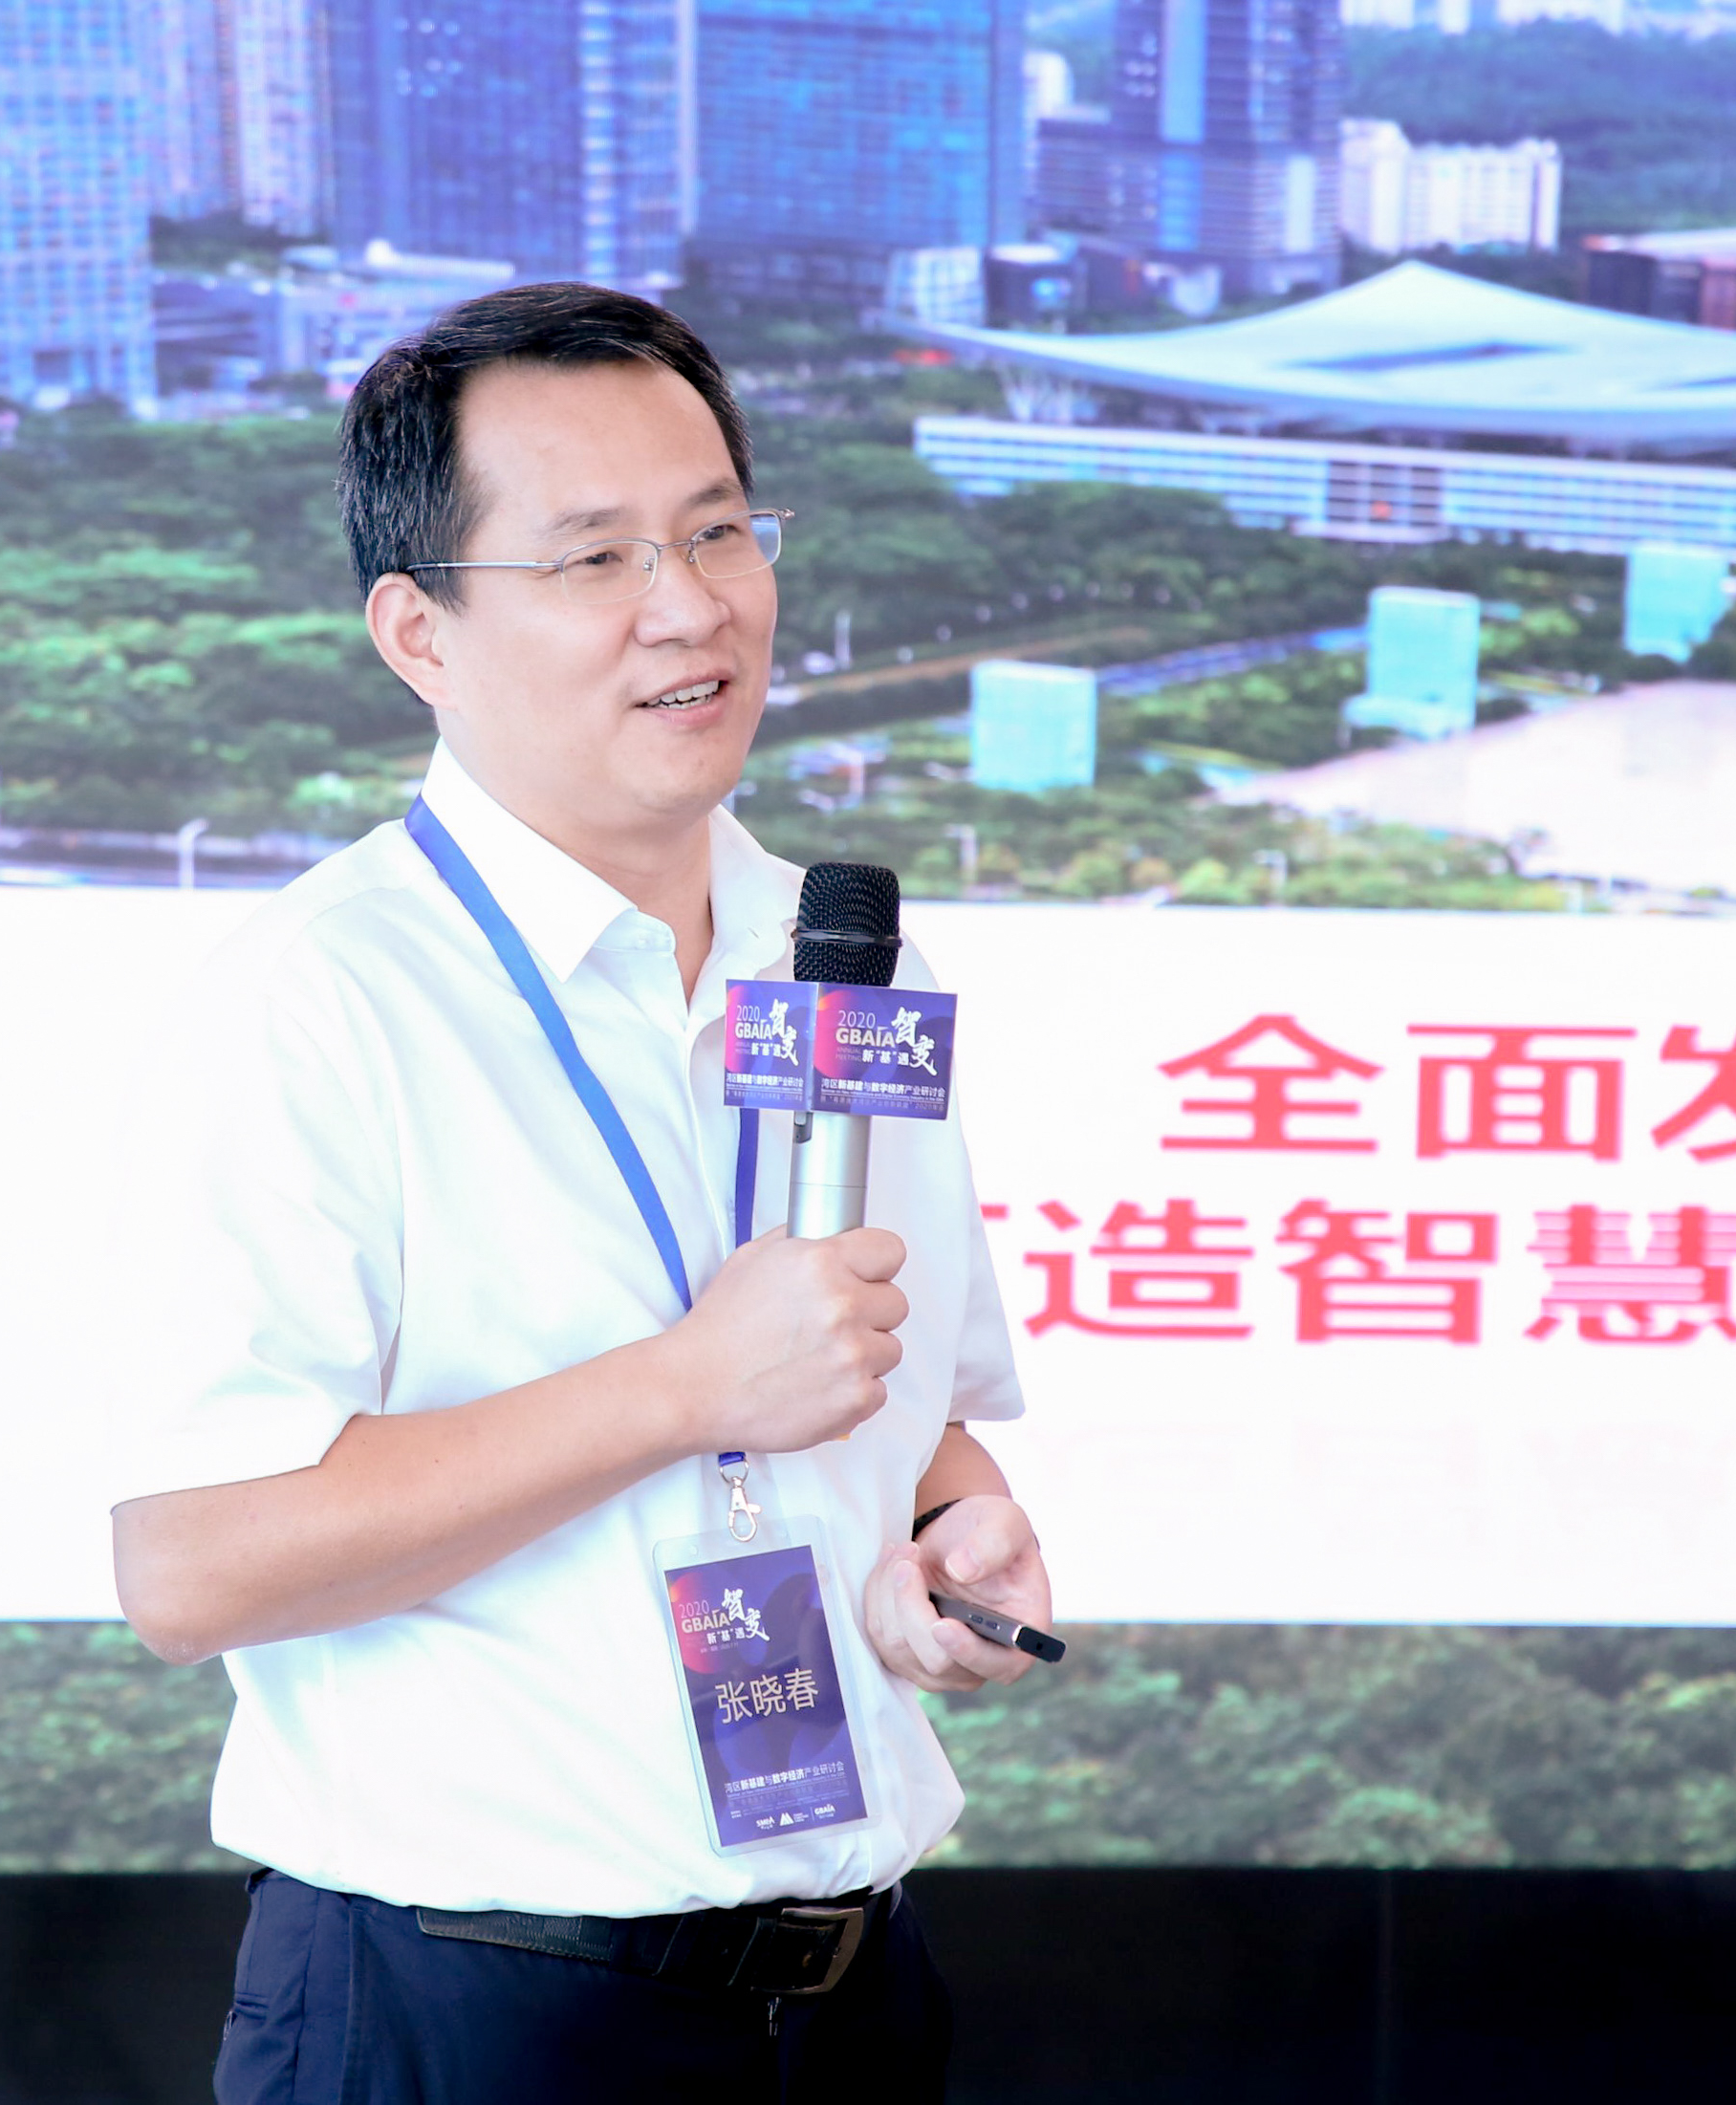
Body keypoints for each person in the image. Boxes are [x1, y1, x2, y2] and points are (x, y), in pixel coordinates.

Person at [112, 281, 1052, 2103]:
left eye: (718, 532)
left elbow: (902, 1405)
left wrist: (956, 1532)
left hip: (848, 1993)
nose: (689, 606)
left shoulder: (843, 957)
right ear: (421, 631)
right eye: (593, 556)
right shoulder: (319, 999)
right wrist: (682, 1389)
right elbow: (192, 1567)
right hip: (471, 2003)